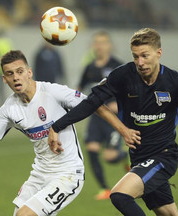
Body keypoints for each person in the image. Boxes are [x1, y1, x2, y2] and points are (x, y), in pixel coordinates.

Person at [47, 28, 178, 216]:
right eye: (135, 57)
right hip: (138, 158)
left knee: (119, 196)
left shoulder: (176, 81)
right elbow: (91, 103)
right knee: (168, 213)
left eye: (145, 55)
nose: (140, 62)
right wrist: (57, 126)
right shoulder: (122, 76)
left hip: (163, 157)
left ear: (159, 52)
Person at [0, 50, 120, 216]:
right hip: (39, 175)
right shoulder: (9, 110)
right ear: (4, 79)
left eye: (19, 71)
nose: (16, 77)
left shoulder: (53, 92)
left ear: (29, 72)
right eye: (10, 74)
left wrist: (124, 130)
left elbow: (93, 104)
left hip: (68, 174)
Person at [78, 31, 128, 200]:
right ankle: (105, 189)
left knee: (109, 157)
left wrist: (119, 104)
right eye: (96, 42)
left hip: (113, 119)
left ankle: (126, 155)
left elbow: (131, 90)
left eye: (102, 42)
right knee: (91, 149)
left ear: (110, 45)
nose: (99, 46)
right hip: (96, 117)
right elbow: (79, 89)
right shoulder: (89, 68)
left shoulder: (119, 66)